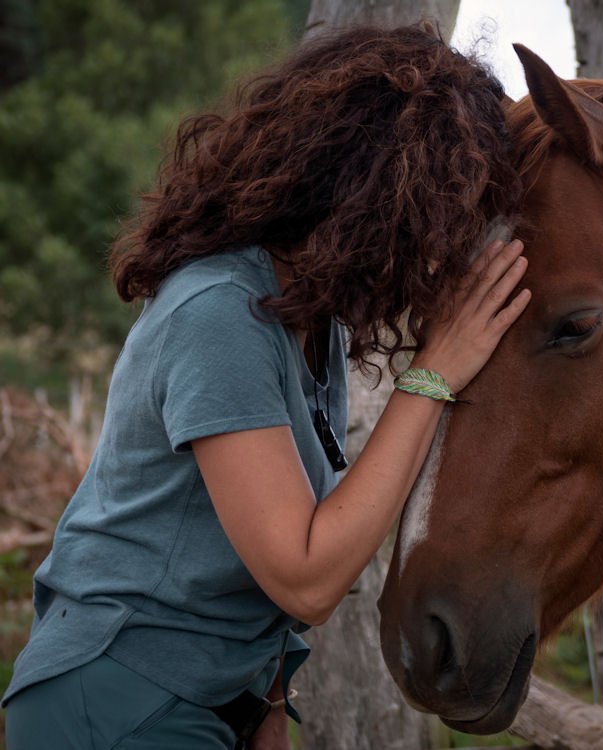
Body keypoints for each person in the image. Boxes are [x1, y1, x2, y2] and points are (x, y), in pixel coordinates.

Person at [2, 23, 530, 750]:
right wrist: (434, 374)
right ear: (377, 199)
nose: (441, 256)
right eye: (438, 222)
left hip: (216, 704)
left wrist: (266, 707)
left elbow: (248, 562)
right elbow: (304, 577)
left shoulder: (309, 320)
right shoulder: (219, 311)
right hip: (117, 700)